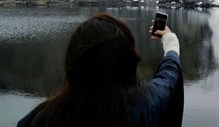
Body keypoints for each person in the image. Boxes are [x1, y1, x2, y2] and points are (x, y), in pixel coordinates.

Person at [17, 13, 183, 127]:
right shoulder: (148, 103)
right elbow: (170, 73)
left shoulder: (39, 120)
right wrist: (170, 40)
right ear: (128, 61)